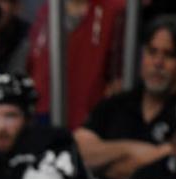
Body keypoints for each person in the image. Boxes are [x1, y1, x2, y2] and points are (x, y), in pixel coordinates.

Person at [73, 15, 176, 179]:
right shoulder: (116, 104)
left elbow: (158, 171)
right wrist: (146, 151)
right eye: (152, 52)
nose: (158, 63)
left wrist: (105, 159)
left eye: (169, 55)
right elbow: (78, 153)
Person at [27, 0, 125, 131]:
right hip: (44, 114)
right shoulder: (46, 11)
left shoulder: (113, 11)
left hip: (89, 120)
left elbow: (118, 78)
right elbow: (32, 65)